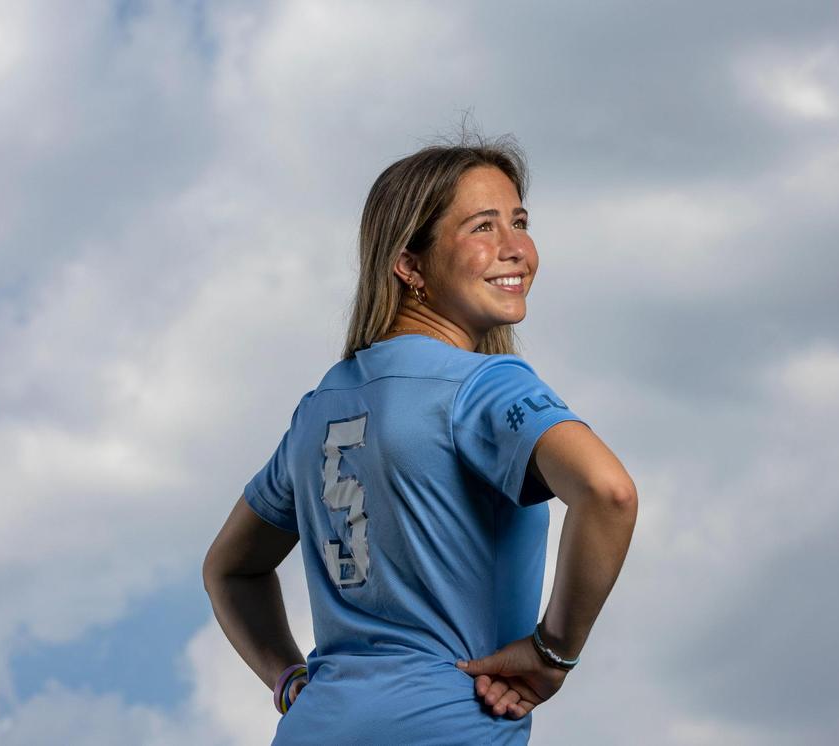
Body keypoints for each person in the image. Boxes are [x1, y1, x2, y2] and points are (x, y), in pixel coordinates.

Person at [203, 132, 638, 744]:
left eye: (519, 222)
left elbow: (230, 569)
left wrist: (287, 678)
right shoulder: (486, 386)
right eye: (483, 228)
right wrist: (553, 652)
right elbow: (608, 491)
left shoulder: (319, 408)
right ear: (409, 263)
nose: (516, 249)